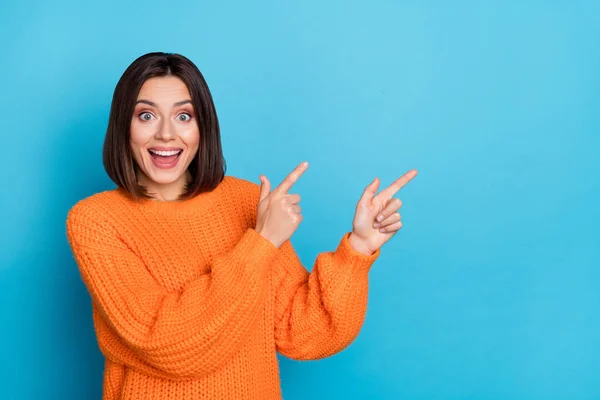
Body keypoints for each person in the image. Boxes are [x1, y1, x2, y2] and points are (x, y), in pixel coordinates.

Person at [66, 52, 417, 400]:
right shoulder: (97, 220)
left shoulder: (248, 202)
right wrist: (261, 242)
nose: (166, 134)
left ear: (203, 126)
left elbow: (303, 333)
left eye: (184, 116)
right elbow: (164, 343)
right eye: (146, 115)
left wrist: (358, 247)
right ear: (123, 127)